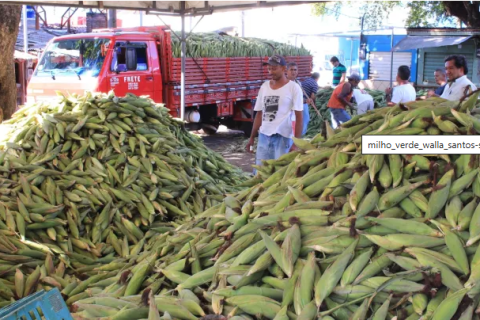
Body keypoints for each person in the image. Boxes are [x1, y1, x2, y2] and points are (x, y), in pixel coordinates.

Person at [246, 55, 303, 168]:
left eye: (274, 68)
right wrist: (252, 137)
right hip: (264, 135)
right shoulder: (264, 86)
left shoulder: (294, 88)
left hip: (283, 137)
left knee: (279, 172)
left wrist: (296, 143)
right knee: (261, 171)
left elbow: (299, 117)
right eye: (269, 69)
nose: (271, 72)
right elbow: (259, 113)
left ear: (283, 68)